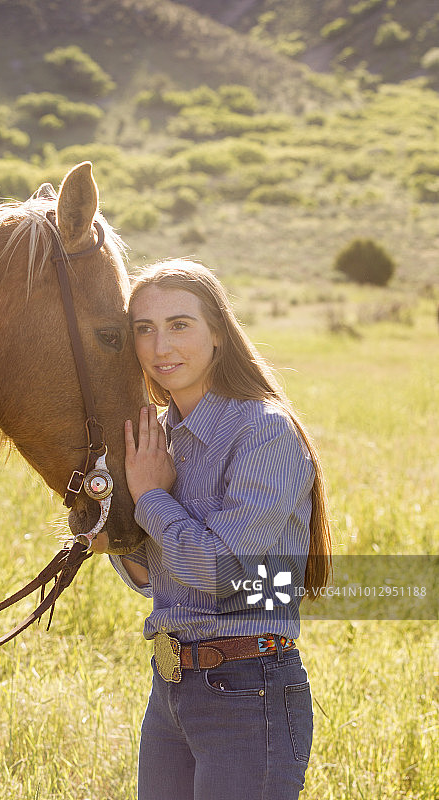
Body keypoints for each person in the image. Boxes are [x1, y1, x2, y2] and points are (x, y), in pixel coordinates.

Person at [95, 259, 332, 800]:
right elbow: (155, 580)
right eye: (144, 329)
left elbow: (223, 572)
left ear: (219, 333)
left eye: (180, 325)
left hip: (249, 692)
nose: (160, 348)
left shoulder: (262, 433)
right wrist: (112, 536)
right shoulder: (157, 436)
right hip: (172, 690)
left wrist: (152, 497)